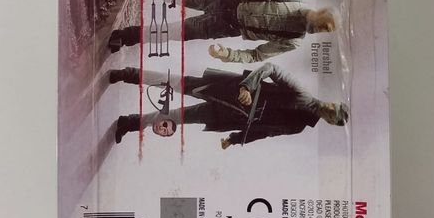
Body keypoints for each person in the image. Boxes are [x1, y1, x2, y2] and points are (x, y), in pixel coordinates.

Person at [112, 62, 348, 147]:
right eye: (333, 108)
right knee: (174, 82)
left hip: (227, 117)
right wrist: (247, 87)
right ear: (332, 102)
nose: (329, 111)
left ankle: (128, 123)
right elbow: (272, 68)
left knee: (176, 117)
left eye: (332, 116)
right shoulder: (302, 93)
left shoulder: (298, 127)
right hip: (226, 90)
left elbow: (264, 132)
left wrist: (235, 139)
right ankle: (127, 74)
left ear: (330, 122)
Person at [108, 0, 337, 58]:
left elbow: (256, 55)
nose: (323, 31)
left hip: (225, 27)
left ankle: (124, 37)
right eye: (327, 25)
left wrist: (226, 54)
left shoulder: (294, 41)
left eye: (327, 32)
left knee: (173, 32)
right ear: (323, 12)